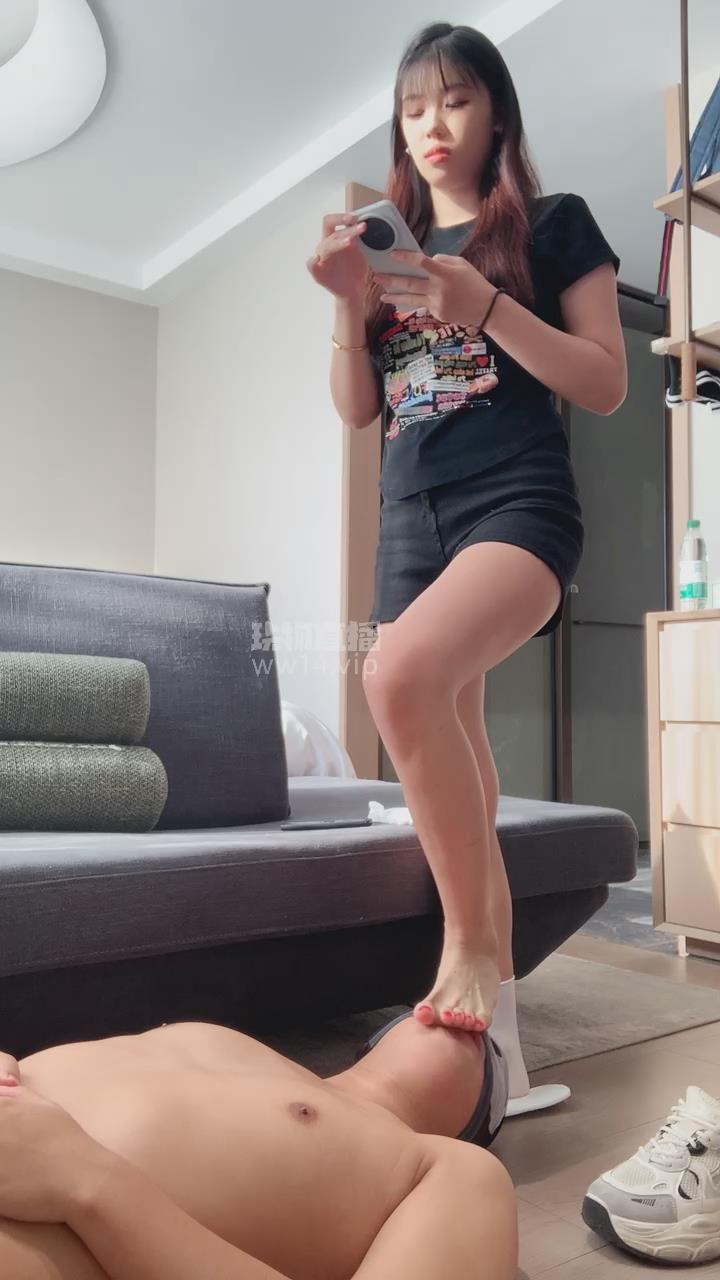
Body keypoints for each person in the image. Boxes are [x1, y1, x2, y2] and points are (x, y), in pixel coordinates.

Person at [307, 22, 626, 1052]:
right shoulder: (388, 248)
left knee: (395, 677)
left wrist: (483, 303)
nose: (432, 124)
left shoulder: (554, 223)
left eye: (453, 99)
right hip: (410, 515)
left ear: (496, 113)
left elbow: (605, 382)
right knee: (450, 723)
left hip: (515, 498)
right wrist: (349, 308)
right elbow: (360, 410)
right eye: (413, 108)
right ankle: (501, 1036)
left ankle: (474, 942)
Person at [0, 1013, 514, 1279]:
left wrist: (91, 1183)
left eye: (486, 1047)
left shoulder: (454, 1170)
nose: (458, 1017)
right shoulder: (256, 1058)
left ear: (474, 1119)